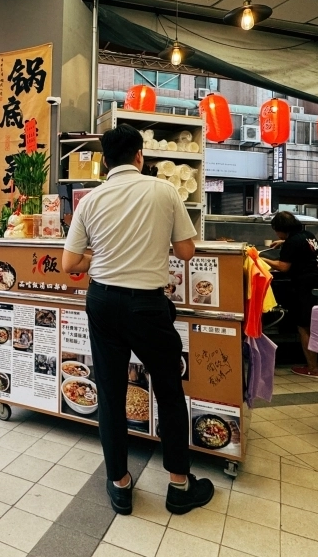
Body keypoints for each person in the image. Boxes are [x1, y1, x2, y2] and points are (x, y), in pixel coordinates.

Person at [62, 124, 214, 517]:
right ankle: (179, 485)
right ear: (139, 156)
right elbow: (185, 250)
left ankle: (120, 486)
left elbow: (69, 263)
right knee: (167, 389)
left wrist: (103, 257)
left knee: (110, 394)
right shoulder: (163, 191)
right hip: (147, 305)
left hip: (102, 302)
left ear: (104, 163)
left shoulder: (90, 201)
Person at [262, 211, 318, 378]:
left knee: (305, 327)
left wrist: (260, 258)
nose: (276, 234)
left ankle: (313, 368)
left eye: (276, 231)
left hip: (308, 286)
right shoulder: (307, 235)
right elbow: (301, 246)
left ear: (281, 229)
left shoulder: (292, 242)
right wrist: (283, 243)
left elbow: (283, 267)